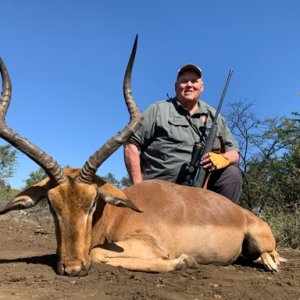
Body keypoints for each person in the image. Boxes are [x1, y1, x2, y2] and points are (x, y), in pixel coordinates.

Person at [124, 64, 243, 203]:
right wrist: (138, 189)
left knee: (232, 174)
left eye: (194, 81)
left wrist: (224, 158)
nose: (189, 85)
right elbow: (131, 144)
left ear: (202, 87)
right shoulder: (158, 109)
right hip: (158, 191)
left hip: (200, 190)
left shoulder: (215, 116)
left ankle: (220, 223)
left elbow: (234, 153)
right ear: (176, 86)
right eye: (184, 81)